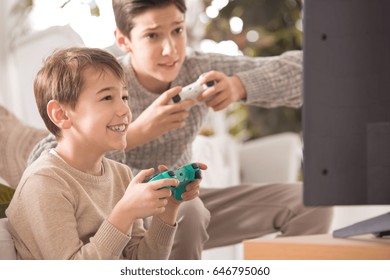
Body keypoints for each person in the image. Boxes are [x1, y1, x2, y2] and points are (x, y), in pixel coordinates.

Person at [29, 0, 333, 259]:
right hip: (119, 215)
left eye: (177, 30)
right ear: (124, 40)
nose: (170, 49)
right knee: (192, 211)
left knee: (310, 203)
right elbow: (45, 155)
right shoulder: (105, 82)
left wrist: (241, 85)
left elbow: (316, 71)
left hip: (181, 204)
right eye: (152, 36)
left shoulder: (197, 71)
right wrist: (136, 132)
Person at [6, 47, 204, 260]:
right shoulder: (44, 183)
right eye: (107, 97)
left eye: (125, 97)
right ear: (61, 114)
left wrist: (169, 208)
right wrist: (125, 212)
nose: (125, 111)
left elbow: (142, 264)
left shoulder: (121, 174)